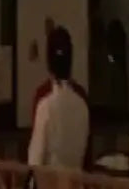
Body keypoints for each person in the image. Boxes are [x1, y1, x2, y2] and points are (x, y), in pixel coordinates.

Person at [28, 25, 90, 170]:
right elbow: (87, 153)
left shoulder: (44, 100)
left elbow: (36, 157)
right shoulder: (81, 100)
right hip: (76, 179)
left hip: (50, 180)